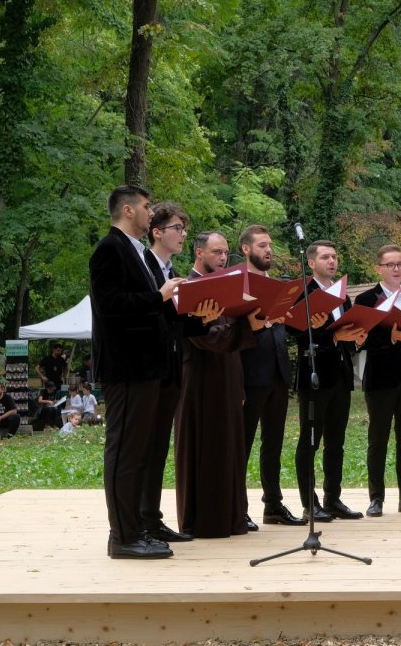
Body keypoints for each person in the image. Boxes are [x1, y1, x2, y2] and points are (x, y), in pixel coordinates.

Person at [89, 185, 187, 559]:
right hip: (126, 367)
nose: (151, 213)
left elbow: (152, 311)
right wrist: (158, 297)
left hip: (147, 369)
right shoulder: (109, 249)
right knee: (124, 452)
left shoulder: (136, 253)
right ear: (128, 210)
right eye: (147, 207)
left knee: (137, 453)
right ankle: (123, 536)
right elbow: (110, 305)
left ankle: (136, 528)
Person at [175, 231, 262, 538]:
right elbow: (203, 338)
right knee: (206, 446)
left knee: (231, 448)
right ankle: (205, 522)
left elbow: (230, 334)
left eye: (226, 253)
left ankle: (232, 516)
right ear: (199, 253)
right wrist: (246, 326)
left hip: (228, 376)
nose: (223, 258)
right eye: (216, 252)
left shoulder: (227, 285)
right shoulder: (187, 288)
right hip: (200, 378)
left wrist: (238, 386)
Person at [354, 244, 401, 517]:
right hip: (380, 379)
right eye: (391, 265)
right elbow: (362, 340)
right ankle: (376, 498)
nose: (397, 269)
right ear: (379, 268)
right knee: (378, 440)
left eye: (400, 264)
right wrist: (391, 338)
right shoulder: (365, 300)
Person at [293, 240, 368, 522]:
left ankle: (333, 498)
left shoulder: (341, 294)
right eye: (326, 257)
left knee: (337, 441)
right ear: (311, 263)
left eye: (335, 257)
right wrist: (335, 336)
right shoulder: (303, 293)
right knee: (310, 441)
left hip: (340, 376)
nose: (332, 261)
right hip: (315, 375)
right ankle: (309, 503)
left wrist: (357, 338)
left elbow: (344, 332)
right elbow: (300, 335)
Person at [139, 201, 200, 545]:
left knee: (160, 446)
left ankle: (153, 517)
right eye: (178, 228)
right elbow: (150, 314)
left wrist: (204, 314)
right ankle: (140, 520)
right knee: (145, 449)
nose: (183, 234)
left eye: (184, 229)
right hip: (150, 369)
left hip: (172, 368)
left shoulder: (169, 269)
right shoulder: (144, 265)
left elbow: (176, 322)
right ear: (157, 231)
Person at [238, 225, 306, 527]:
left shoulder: (278, 285)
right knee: (243, 444)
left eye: (270, 245)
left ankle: (273, 505)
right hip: (250, 375)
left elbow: (285, 326)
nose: (268, 250)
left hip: (278, 373)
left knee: (273, 444)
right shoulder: (236, 283)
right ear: (246, 249)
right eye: (262, 245)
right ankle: (236, 507)